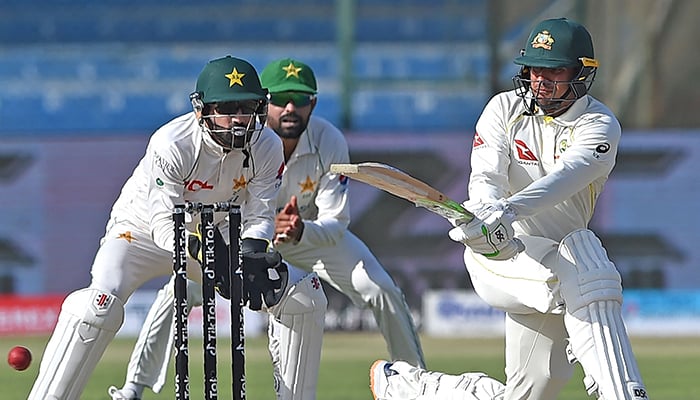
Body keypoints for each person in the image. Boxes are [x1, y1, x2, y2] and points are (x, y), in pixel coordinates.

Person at [107, 57, 425, 400]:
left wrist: (301, 230)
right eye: (281, 99)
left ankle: (417, 382)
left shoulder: (329, 140)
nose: (290, 108)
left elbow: (337, 222)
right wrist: (249, 239)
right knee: (179, 292)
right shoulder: (241, 137)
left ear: (313, 104)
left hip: (310, 237)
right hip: (245, 237)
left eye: (301, 100)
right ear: (263, 103)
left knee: (381, 289)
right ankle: (134, 387)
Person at [370, 18, 649, 400]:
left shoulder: (598, 125)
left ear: (582, 74)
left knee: (528, 393)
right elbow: (485, 176)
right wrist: (486, 215)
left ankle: (414, 387)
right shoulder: (504, 108)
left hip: (555, 261)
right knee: (588, 263)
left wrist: (509, 209)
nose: (541, 80)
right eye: (535, 69)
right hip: (501, 257)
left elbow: (568, 176)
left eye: (555, 71)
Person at [28, 55, 327, 400]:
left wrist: (253, 250)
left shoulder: (267, 145)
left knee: (303, 294)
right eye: (226, 108)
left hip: (214, 232)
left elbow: (260, 213)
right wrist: (198, 247)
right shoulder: (172, 143)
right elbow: (160, 221)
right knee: (98, 305)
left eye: (247, 107)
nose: (238, 120)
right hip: (138, 233)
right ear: (201, 110)